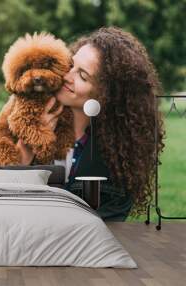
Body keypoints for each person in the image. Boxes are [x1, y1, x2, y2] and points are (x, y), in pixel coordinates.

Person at [17, 26, 165, 221]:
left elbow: (104, 230)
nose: (68, 76)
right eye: (71, 65)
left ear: (105, 96)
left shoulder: (119, 158)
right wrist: (25, 150)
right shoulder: (23, 116)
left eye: (83, 76)